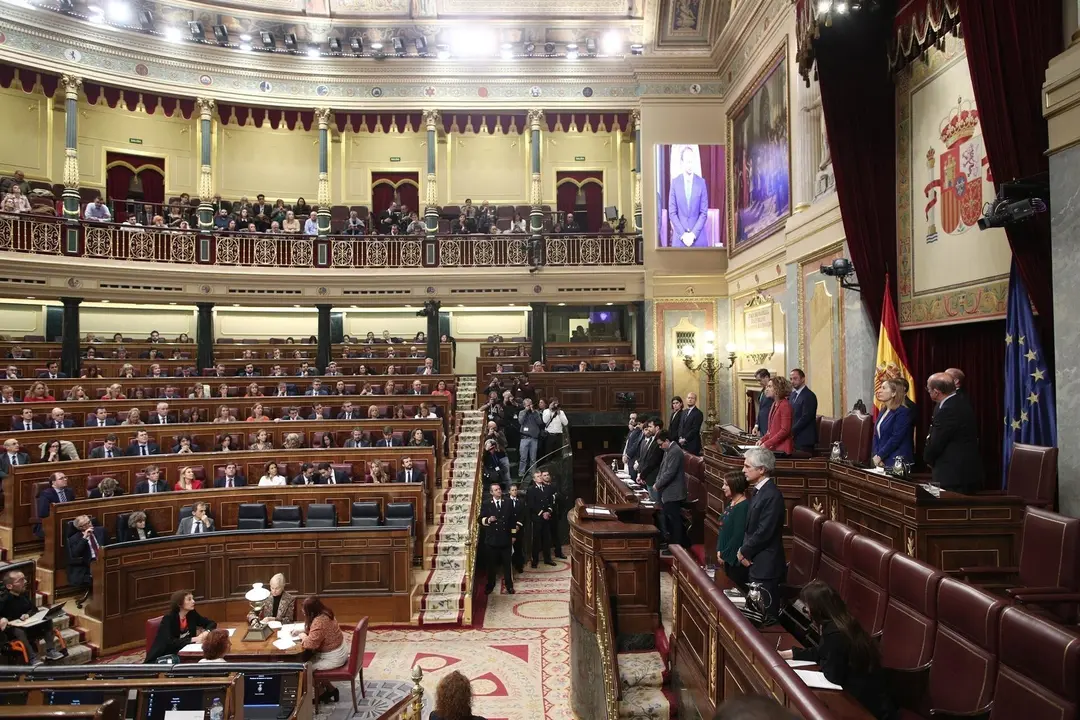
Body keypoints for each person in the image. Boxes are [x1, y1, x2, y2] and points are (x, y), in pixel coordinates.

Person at [780, 580, 899, 720]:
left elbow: (833, 675)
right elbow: (824, 652)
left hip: (865, 705)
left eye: (807, 608)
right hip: (866, 694)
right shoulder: (842, 622)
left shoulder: (835, 633)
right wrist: (791, 654)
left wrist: (823, 662)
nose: (807, 612)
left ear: (818, 609)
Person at [737, 447, 786, 622]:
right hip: (755, 560)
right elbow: (750, 527)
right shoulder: (758, 491)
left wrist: (744, 551)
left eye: (747, 466)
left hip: (766, 565)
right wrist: (744, 551)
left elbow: (764, 531)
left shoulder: (772, 495)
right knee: (754, 616)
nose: (743, 470)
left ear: (762, 469)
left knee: (765, 618)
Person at [923, 372, 982, 493]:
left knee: (941, 508)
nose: (928, 392)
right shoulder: (958, 401)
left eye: (928, 389)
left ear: (936, 392)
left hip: (953, 476)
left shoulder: (948, 409)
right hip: (956, 473)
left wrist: (927, 459)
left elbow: (937, 442)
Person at [0, 568, 66, 663]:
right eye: (21, 580)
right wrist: (2, 619)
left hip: (28, 625)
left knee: (47, 619)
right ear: (9, 586)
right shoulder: (3, 600)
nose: (26, 582)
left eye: (25, 579)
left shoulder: (24, 595)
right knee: (18, 630)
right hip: (11, 631)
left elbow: (34, 609)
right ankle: (32, 657)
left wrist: (27, 614)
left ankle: (50, 650)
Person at [145, 589, 217, 663]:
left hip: (185, 651)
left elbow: (211, 623)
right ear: (179, 604)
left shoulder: (191, 614)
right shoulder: (169, 618)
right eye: (189, 599)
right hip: (165, 656)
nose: (193, 601)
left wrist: (206, 632)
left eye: (192, 598)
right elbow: (170, 642)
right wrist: (194, 639)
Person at [299, 596, 348, 704]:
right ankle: (331, 690)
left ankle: (321, 693)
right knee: (309, 661)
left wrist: (303, 636)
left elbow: (310, 644)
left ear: (311, 612)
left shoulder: (319, 622)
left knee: (306, 669)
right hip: (339, 650)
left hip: (334, 657)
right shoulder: (326, 613)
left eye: (304, 611)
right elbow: (317, 632)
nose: (303, 612)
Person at [667, 145, 709, 247]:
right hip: (680, 240)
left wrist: (693, 234)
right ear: (682, 163)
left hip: (698, 239)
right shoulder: (675, 183)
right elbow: (672, 213)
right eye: (687, 162)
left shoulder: (701, 183)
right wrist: (683, 235)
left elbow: (703, 213)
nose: (690, 165)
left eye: (691, 161)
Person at [480, 483, 516, 595]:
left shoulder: (508, 502)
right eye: (496, 490)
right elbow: (479, 519)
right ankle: (490, 585)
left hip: (505, 539)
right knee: (491, 565)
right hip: (492, 540)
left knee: (507, 565)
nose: (499, 491)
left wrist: (513, 535)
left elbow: (512, 521)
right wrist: (488, 520)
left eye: (499, 489)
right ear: (491, 492)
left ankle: (509, 586)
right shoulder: (486, 504)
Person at [716, 471, 750, 586]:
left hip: (734, 561)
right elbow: (723, 528)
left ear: (734, 485)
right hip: (726, 556)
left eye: (726, 484)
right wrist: (719, 550)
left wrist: (724, 554)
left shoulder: (743, 507)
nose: (723, 487)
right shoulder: (733, 502)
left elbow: (738, 536)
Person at [654, 431, 687, 549]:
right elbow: (662, 469)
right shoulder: (668, 450)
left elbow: (670, 473)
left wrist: (658, 484)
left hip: (674, 493)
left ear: (667, 441)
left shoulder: (675, 451)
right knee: (669, 519)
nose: (660, 447)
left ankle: (676, 546)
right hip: (667, 491)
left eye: (661, 444)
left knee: (674, 521)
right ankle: (671, 544)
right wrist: (658, 481)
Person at [871, 378, 914, 468]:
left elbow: (896, 438)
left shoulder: (903, 412)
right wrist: (876, 455)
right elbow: (876, 435)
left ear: (894, 393)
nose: (879, 391)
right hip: (880, 461)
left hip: (896, 462)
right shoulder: (883, 410)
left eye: (883, 388)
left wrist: (880, 456)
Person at [68, 514, 106, 608]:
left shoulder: (101, 531)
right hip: (89, 563)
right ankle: (99, 603)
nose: (89, 525)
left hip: (104, 559)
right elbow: (75, 554)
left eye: (89, 522)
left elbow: (108, 546)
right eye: (85, 524)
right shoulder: (74, 539)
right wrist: (84, 538)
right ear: (80, 527)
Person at [526, 470, 557, 567]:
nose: (540, 477)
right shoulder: (531, 489)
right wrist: (542, 513)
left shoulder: (547, 488)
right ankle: (534, 560)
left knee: (546, 539)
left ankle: (548, 559)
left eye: (540, 476)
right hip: (537, 518)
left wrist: (548, 511)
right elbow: (531, 504)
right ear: (534, 479)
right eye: (538, 476)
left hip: (547, 518)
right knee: (536, 540)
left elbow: (551, 502)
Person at [757, 376, 793, 456]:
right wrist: (763, 439)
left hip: (782, 449)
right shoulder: (774, 404)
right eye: (767, 387)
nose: (766, 389)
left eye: (769, 386)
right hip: (774, 447)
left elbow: (785, 430)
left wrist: (767, 443)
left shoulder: (785, 405)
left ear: (778, 389)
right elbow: (771, 430)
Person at [788, 369, 818, 453]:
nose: (792, 381)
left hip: (804, 439)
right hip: (793, 437)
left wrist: (791, 431)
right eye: (791, 379)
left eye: (795, 378)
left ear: (802, 379)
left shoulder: (809, 395)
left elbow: (806, 417)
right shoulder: (792, 395)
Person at [517, 398, 542, 477]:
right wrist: (525, 411)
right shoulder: (521, 412)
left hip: (534, 438)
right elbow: (520, 421)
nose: (529, 406)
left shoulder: (536, 412)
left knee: (533, 458)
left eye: (530, 404)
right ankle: (521, 473)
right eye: (528, 405)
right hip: (524, 438)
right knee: (523, 458)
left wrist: (534, 412)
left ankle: (533, 473)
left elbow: (539, 422)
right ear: (524, 405)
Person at [751, 369, 772, 437]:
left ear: (766, 377)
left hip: (770, 426)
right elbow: (760, 410)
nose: (758, 383)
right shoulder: (763, 390)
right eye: (757, 380)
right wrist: (756, 426)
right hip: (762, 427)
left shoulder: (774, 391)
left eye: (760, 380)